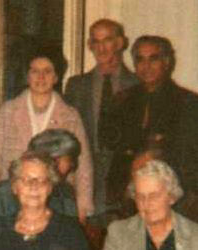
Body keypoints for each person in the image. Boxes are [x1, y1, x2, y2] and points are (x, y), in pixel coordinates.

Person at [0, 52, 94, 222]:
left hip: (55, 197)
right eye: (35, 71)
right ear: (27, 76)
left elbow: (83, 163)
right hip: (13, 194)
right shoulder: (9, 110)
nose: (41, 77)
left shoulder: (70, 115)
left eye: (47, 71)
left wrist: (83, 204)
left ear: (56, 77)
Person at [106, 36, 198, 220]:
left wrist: (155, 154)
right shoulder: (123, 100)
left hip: (174, 200)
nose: (146, 66)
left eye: (153, 58)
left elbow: (191, 156)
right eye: (140, 59)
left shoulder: (187, 102)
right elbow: (115, 151)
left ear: (167, 62)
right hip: (128, 201)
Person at [64, 19, 138, 212]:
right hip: (85, 172)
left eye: (107, 40)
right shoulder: (76, 85)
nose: (101, 48)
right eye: (96, 41)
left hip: (125, 174)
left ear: (120, 43)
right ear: (89, 45)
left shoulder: (137, 84)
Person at [0, 151, 90, 250]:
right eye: (26, 180)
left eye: (42, 180)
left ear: (50, 188)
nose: (34, 186)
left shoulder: (69, 230)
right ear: (14, 187)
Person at [0, 129, 81, 226]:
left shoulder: (65, 193)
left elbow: (71, 231)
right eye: (68, 160)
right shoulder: (5, 192)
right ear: (53, 160)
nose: (71, 165)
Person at [104, 160, 198, 249]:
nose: (147, 203)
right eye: (140, 197)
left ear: (171, 197)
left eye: (154, 196)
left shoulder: (194, 235)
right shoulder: (119, 233)